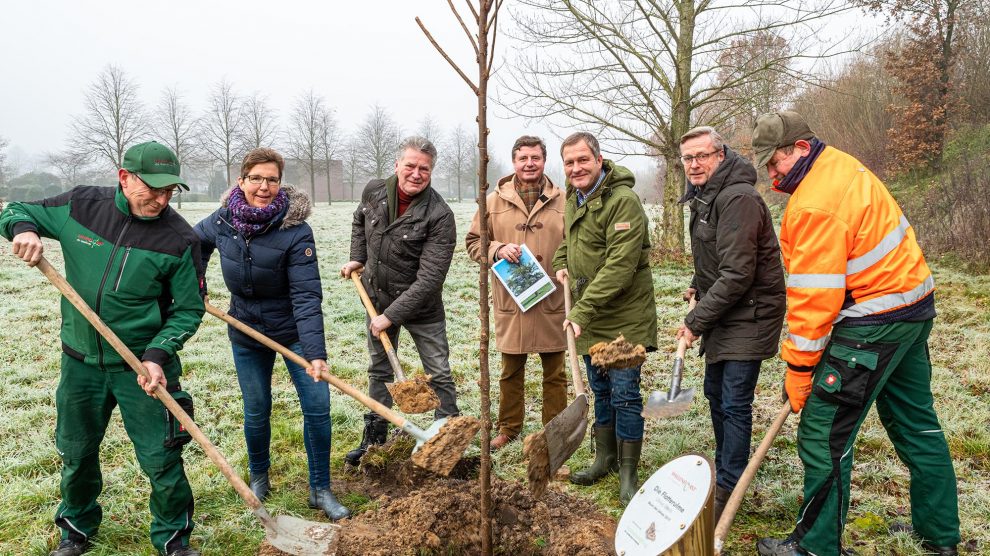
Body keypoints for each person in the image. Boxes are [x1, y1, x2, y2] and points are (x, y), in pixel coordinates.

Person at [751, 111, 960, 556]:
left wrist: (800, 368)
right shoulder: (843, 165)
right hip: (912, 309)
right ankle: (938, 533)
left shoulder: (814, 203)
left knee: (823, 431)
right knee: (917, 424)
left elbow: (814, 299)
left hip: (874, 321)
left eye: (775, 162)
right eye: (766, 165)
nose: (771, 174)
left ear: (801, 149)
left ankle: (816, 547)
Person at [0, 142, 204, 556]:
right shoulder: (81, 206)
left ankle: (173, 540)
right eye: (154, 188)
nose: (162, 199)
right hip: (80, 363)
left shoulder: (180, 239)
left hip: (141, 367)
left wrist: (157, 354)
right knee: (76, 451)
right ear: (124, 177)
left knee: (161, 457)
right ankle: (76, 529)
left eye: (170, 191)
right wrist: (22, 230)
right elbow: (14, 210)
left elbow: (188, 310)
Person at [193, 148, 349, 520]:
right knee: (257, 408)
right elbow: (192, 243)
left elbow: (306, 295)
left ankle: (320, 488)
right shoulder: (223, 219)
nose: (264, 187)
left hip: (293, 330)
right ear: (242, 180)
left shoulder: (295, 229)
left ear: (281, 183)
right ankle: (260, 477)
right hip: (245, 329)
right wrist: (195, 281)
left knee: (318, 406)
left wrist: (314, 352)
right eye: (257, 178)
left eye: (272, 179)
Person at [676, 126, 786, 521]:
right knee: (716, 393)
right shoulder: (706, 196)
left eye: (702, 156)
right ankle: (725, 472)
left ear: (720, 156)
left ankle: (729, 485)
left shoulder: (738, 197)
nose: (694, 164)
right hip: (728, 309)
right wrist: (697, 285)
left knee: (735, 401)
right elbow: (717, 258)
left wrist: (695, 322)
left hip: (750, 312)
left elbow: (738, 274)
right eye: (688, 158)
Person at [552, 131, 657, 505]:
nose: (576, 168)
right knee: (600, 390)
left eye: (583, 160)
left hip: (623, 316)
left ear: (599, 159)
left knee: (625, 394)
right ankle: (605, 458)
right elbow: (570, 239)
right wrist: (562, 262)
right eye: (569, 162)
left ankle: (628, 473)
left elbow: (620, 265)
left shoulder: (623, 201)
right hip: (591, 313)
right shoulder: (574, 196)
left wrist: (581, 310)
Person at [340, 136, 459, 465]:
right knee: (379, 371)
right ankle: (374, 439)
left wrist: (389, 316)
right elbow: (358, 220)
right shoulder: (374, 191)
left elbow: (430, 279)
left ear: (431, 172)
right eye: (410, 165)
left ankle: (447, 437)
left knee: (439, 372)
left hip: (422, 308)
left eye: (424, 169)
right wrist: (357, 258)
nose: (416, 173)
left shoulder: (439, 215)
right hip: (376, 297)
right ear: (396, 165)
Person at [465, 135, 567, 451]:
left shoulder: (565, 199)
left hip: (553, 298)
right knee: (510, 371)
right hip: (513, 300)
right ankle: (509, 428)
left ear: (544, 160)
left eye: (535, 158)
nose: (529, 164)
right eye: (522, 158)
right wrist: (496, 249)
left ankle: (555, 431)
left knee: (556, 372)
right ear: (514, 162)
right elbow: (472, 243)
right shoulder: (493, 201)